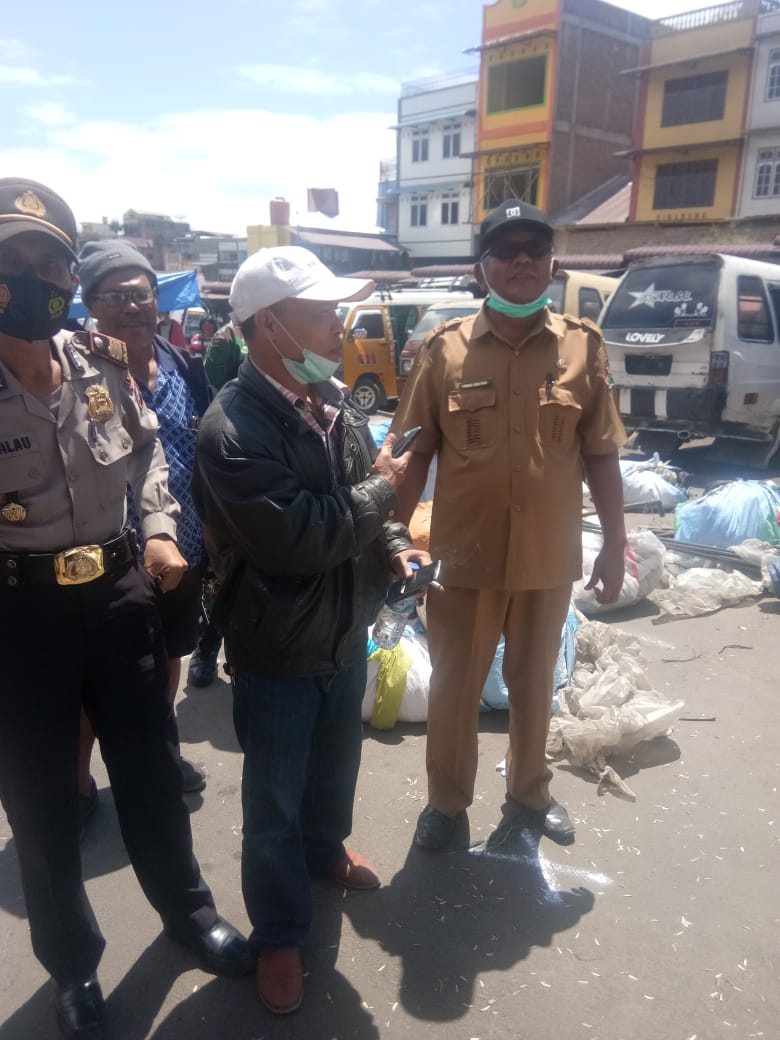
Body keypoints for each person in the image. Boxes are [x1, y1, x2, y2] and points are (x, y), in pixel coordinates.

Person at [0, 178, 253, 1040]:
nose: (32, 278)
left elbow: (147, 454)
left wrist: (156, 529)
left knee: (150, 770)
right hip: (18, 618)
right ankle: (72, 968)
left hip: (119, 596)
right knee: (39, 804)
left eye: (48, 263)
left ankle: (188, 915)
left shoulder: (100, 363)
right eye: (14, 261)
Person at [192, 246, 431, 1015]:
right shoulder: (230, 429)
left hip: (343, 634)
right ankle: (282, 934)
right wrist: (384, 492)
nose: (339, 325)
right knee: (273, 810)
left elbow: (366, 511)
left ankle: (326, 856)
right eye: (324, 312)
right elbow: (297, 539)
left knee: (334, 777)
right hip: (278, 647)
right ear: (270, 325)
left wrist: (395, 548)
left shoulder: (334, 400)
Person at [390, 199, 627, 852]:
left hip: (548, 556)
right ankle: (446, 805)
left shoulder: (584, 345)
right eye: (506, 249)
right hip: (461, 558)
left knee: (534, 682)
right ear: (481, 267)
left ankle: (529, 793)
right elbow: (412, 455)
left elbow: (602, 451)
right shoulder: (445, 350)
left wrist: (615, 543)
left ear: (551, 263)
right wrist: (389, 540)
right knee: (454, 690)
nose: (522, 260)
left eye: (534, 248)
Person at [77, 239, 212, 794]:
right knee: (94, 678)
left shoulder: (182, 363)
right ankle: (77, 782)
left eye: (141, 294)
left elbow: (202, 450)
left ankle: (162, 754)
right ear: (90, 303)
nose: (132, 306)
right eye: (116, 296)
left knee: (171, 655)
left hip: (183, 546)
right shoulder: (74, 372)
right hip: (106, 555)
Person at [187, 319, 248, 688]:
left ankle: (244, 656)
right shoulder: (225, 339)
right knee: (219, 574)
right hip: (224, 444)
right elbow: (213, 382)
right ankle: (207, 647)